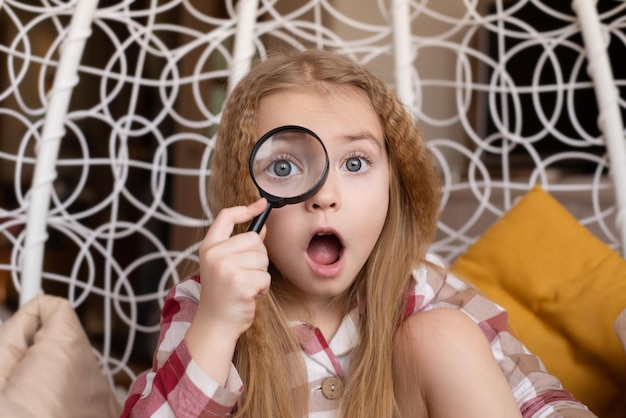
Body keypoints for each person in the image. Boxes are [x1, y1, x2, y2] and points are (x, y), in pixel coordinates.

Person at [121, 49, 596, 417]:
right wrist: (218, 325)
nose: (325, 196)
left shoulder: (427, 293)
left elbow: (540, 402)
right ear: (243, 192)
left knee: (443, 337)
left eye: (355, 163)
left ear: (396, 181)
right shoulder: (209, 303)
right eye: (284, 166)